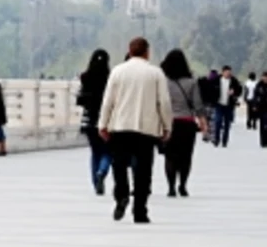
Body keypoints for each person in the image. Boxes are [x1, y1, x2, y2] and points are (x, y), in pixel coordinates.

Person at [98, 37, 173, 225]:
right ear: (147, 52)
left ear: (129, 51)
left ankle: (121, 195)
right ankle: (140, 211)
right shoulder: (156, 73)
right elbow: (163, 102)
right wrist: (167, 126)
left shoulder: (117, 71)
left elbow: (108, 101)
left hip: (121, 127)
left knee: (119, 166)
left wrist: (102, 124)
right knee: (143, 171)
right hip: (146, 129)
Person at [159, 48, 207, 198]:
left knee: (170, 156)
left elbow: (158, 103)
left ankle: (171, 187)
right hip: (187, 124)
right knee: (186, 156)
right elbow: (198, 105)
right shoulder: (191, 82)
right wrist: (203, 124)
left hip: (169, 123)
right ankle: (183, 186)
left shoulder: (162, 82)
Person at [77, 49, 112, 195]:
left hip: (89, 120)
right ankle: (102, 172)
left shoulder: (85, 77)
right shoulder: (110, 77)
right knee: (108, 150)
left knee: (95, 152)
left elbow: (80, 99)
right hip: (106, 119)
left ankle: (95, 180)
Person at [211, 65, 243, 148]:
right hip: (219, 104)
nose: (228, 74)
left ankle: (225, 141)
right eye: (226, 72)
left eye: (229, 72)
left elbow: (239, 90)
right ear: (222, 72)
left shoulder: (234, 80)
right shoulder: (216, 80)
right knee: (217, 122)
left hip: (229, 105)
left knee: (227, 124)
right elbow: (210, 90)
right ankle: (216, 139)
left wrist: (234, 92)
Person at [255, 72, 267, 148]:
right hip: (262, 108)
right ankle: (263, 142)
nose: (265, 78)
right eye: (264, 77)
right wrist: (255, 105)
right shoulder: (259, 85)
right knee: (263, 125)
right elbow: (255, 96)